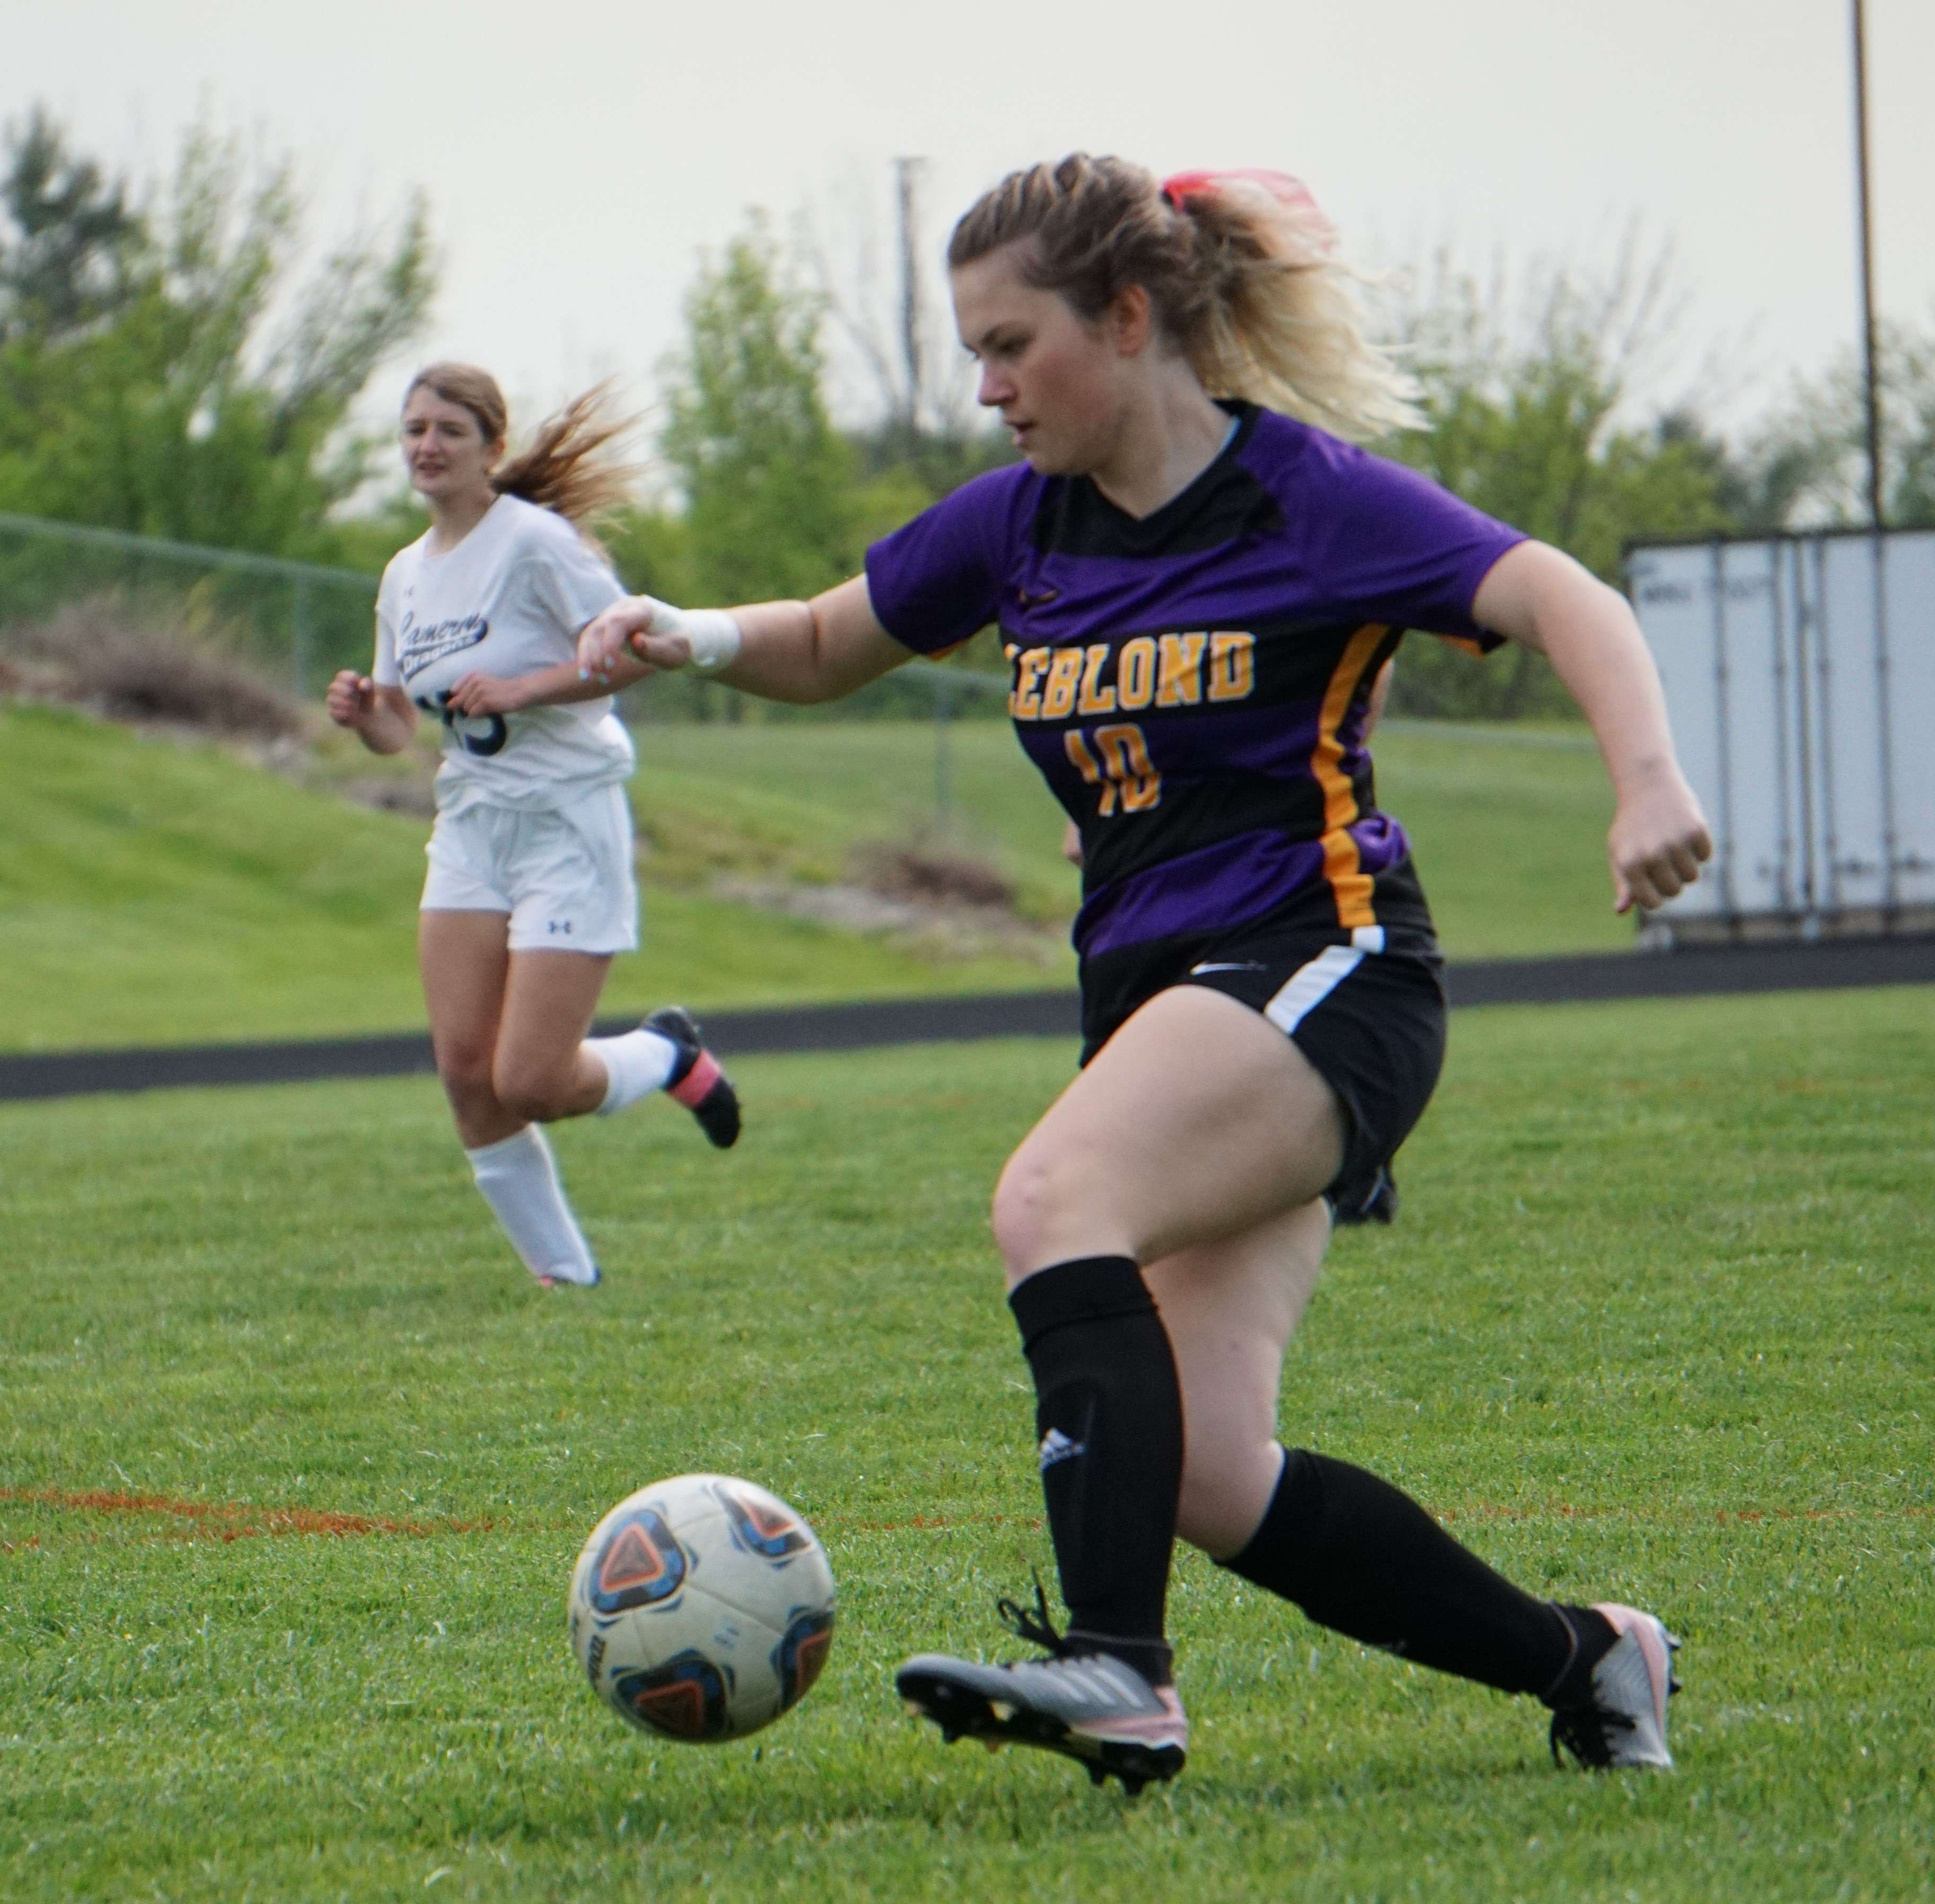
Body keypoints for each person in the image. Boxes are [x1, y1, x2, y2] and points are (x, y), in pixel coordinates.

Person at [578, 156, 1711, 1788]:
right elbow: (832, 640)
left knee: (1052, 1204)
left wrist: (1647, 780)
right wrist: (690, 634)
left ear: (1126, 319)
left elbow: (1557, 593)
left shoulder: (1306, 497)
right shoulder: (1017, 524)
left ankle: (1119, 1672)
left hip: (1333, 970)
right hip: (1170, 1012)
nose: (985, 387)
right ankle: (1591, 1661)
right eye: (970, 349)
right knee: (1201, 1469)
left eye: (1008, 343)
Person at [327, 363, 740, 1292]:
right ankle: (567, 1278)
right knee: (467, 1076)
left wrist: (527, 686)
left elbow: (642, 652)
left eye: (449, 431)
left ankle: (665, 1052)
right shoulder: (403, 576)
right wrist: (365, 716)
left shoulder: (535, 543)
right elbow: (401, 727)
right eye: (413, 429)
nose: (425, 446)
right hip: (471, 828)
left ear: (492, 450)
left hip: (564, 821)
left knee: (533, 1082)